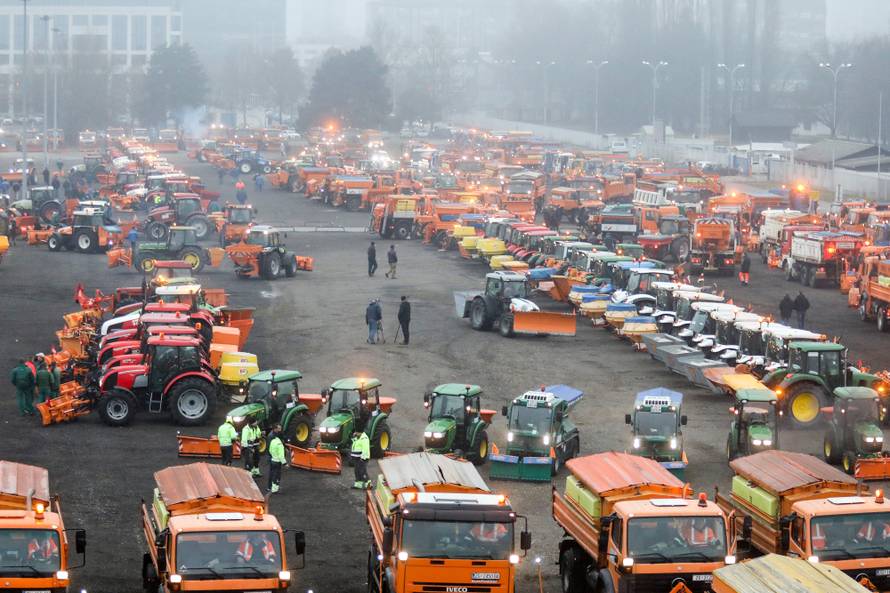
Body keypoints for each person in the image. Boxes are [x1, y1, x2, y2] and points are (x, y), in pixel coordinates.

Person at [267, 424, 286, 493]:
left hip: (273, 458)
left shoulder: (275, 435)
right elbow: (269, 448)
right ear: (275, 429)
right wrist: (284, 463)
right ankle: (273, 488)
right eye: (279, 428)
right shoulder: (272, 437)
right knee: (275, 474)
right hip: (275, 458)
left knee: (273, 473)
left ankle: (271, 487)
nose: (280, 430)